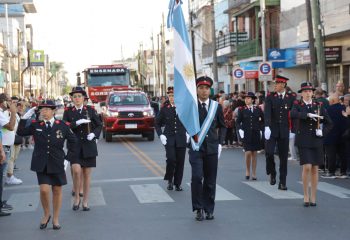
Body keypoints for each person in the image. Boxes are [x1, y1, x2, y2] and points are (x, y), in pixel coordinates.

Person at [17, 100, 77, 229]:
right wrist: (25, 116)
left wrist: (67, 159)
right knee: (44, 190)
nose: (44, 112)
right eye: (42, 109)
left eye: (47, 109)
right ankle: (46, 214)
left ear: (53, 111)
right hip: (41, 162)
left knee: (57, 190)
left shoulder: (62, 125)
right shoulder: (36, 125)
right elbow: (20, 132)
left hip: (57, 162)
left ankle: (55, 218)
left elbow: (74, 142)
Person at [188, 76, 226, 221]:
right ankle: (198, 208)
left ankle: (209, 208)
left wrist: (221, 143)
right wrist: (187, 134)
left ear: (210, 90)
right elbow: (183, 122)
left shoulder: (216, 106)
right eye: (201, 88)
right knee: (197, 177)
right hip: (195, 147)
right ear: (196, 90)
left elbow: (222, 126)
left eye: (206, 88)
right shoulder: (191, 106)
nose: (204, 91)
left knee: (210, 180)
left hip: (211, 147)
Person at [291, 82, 332, 206]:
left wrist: (322, 132)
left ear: (312, 93)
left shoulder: (318, 105)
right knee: (307, 166)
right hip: (303, 139)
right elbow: (292, 114)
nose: (308, 93)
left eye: (310, 91)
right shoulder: (298, 104)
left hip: (316, 140)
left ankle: (313, 196)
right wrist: (306, 115)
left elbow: (330, 123)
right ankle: (305, 195)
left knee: (315, 168)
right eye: (305, 91)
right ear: (302, 93)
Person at [63, 86, 102, 211]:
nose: (77, 98)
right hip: (74, 146)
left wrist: (94, 134)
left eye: (79, 96)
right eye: (74, 96)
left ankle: (85, 201)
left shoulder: (90, 110)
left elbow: (99, 125)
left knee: (86, 174)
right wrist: (77, 123)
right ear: (72, 99)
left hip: (88, 145)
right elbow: (65, 125)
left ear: (83, 98)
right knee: (76, 171)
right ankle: (76, 198)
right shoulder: (68, 111)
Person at [264, 75, 296, 190]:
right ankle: (272, 172)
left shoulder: (291, 97)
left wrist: (293, 130)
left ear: (283, 85)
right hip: (272, 130)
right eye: (275, 84)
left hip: (284, 130)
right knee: (269, 153)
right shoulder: (270, 97)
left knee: (283, 157)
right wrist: (267, 127)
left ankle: (282, 182)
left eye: (277, 84)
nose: (275, 86)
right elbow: (267, 112)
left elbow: (293, 114)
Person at [155, 86, 186, 191]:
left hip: (181, 137)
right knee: (171, 159)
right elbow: (157, 123)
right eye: (170, 95)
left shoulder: (183, 107)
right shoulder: (165, 108)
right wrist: (160, 135)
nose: (172, 98)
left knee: (180, 161)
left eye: (174, 95)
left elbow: (190, 121)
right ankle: (170, 180)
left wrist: (189, 134)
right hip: (169, 138)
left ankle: (178, 183)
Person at [236, 92, 264, 180]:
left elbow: (263, 120)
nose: (246, 100)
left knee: (254, 153)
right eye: (245, 98)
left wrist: (261, 129)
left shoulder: (257, 109)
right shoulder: (242, 109)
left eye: (248, 98)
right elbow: (237, 122)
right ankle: (247, 170)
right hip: (246, 134)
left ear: (252, 100)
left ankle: (254, 172)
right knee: (248, 153)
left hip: (255, 133)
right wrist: (240, 129)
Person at [0, 94, 17, 216]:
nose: (11, 103)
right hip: (3, 148)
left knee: (2, 178)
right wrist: (14, 113)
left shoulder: (3, 113)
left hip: (5, 147)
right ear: (3, 102)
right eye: (8, 101)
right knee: (1, 178)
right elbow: (11, 127)